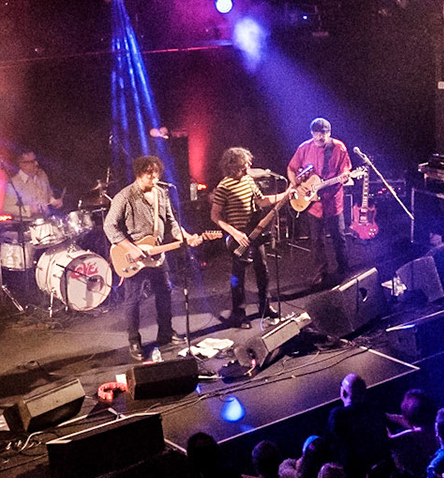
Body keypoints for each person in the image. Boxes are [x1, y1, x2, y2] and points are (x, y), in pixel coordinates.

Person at [104, 154, 204, 361]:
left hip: (157, 253)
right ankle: (134, 340)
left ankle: (165, 332)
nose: (154, 178)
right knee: (132, 300)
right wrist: (129, 247)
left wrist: (186, 237)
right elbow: (109, 225)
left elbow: (172, 223)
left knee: (165, 292)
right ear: (140, 174)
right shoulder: (125, 196)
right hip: (134, 256)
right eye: (150, 175)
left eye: (156, 174)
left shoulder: (161, 194)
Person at [210, 145, 285, 328]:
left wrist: (286, 194)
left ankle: (265, 306)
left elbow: (262, 201)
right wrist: (234, 232)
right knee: (239, 275)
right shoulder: (224, 186)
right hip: (238, 235)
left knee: (263, 270)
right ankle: (238, 314)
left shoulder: (249, 180)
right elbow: (215, 215)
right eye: (245, 161)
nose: (249, 164)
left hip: (255, 231)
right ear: (234, 164)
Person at [288, 117, 353, 286]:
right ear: (312, 133)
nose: (320, 138)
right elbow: (291, 168)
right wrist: (297, 185)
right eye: (317, 134)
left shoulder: (338, 147)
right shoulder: (304, 148)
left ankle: (344, 270)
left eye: (323, 134)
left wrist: (345, 175)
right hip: (313, 203)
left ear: (329, 133)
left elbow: (346, 169)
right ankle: (320, 273)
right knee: (317, 240)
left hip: (333, 202)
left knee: (339, 237)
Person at [1, 148, 63, 220]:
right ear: (22, 164)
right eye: (32, 162)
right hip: (28, 226)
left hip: (47, 221)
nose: (36, 164)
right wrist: (29, 209)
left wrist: (54, 201)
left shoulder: (42, 174)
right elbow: (7, 208)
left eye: (36, 160)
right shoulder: (14, 183)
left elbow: (48, 195)